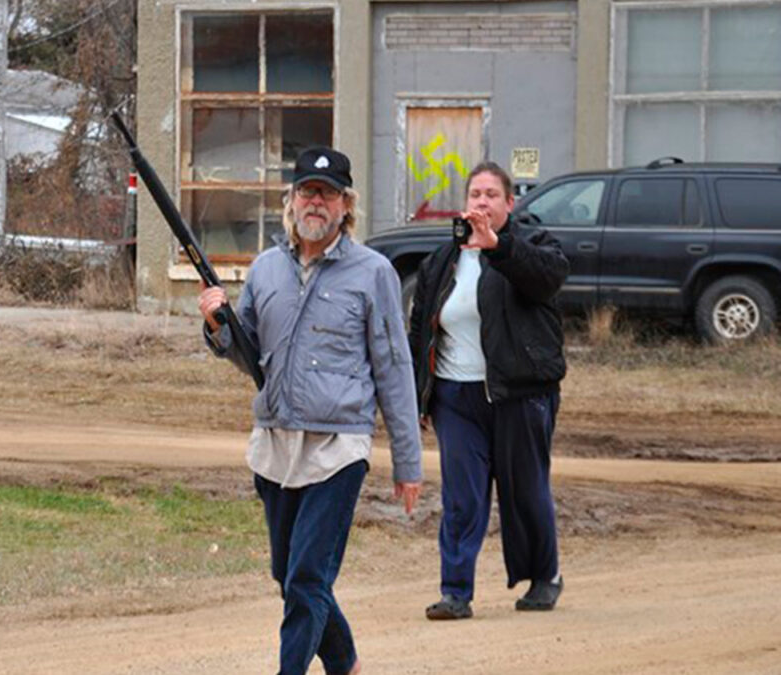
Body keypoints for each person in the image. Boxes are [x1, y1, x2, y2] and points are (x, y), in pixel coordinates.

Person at [199, 147, 423, 675]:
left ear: (347, 205)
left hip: (339, 447)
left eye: (327, 194)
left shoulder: (375, 274)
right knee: (291, 574)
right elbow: (247, 351)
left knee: (306, 579)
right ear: (292, 201)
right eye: (306, 191)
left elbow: (393, 368)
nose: (315, 202)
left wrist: (408, 463)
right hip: (275, 442)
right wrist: (216, 324)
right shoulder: (267, 268)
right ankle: (345, 663)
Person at [408, 161, 569, 621]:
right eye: (475, 194)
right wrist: (422, 395)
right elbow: (421, 329)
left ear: (509, 204)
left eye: (492, 195)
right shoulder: (442, 261)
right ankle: (455, 592)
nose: (482, 202)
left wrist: (499, 247)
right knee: (463, 497)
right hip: (457, 399)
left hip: (520, 393)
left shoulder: (532, 246)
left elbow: (546, 279)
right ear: (465, 204)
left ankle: (544, 576)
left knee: (526, 490)